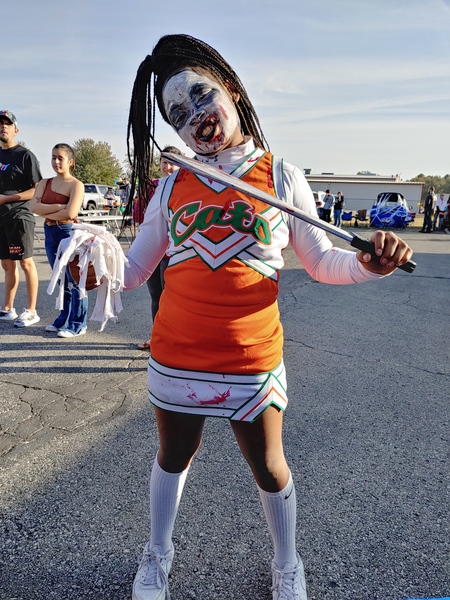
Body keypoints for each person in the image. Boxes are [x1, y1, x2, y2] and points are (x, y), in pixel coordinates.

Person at [122, 34, 413, 600]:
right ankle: (158, 554)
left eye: (202, 96)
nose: (197, 118)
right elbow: (134, 272)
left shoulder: (280, 175)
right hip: (177, 356)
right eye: (178, 114)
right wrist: (93, 267)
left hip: (252, 357)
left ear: (230, 89)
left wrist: (369, 267)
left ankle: (286, 563)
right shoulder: (170, 185)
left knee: (269, 467)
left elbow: (325, 263)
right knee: (172, 457)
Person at [30, 144, 87, 337]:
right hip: (50, 232)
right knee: (60, 278)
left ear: (70, 162)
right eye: (53, 157)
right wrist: (58, 206)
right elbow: (33, 208)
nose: (55, 161)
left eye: (60, 158)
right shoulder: (44, 183)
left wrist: (45, 207)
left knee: (74, 279)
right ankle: (64, 317)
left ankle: (78, 323)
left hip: (67, 232)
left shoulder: (76, 185)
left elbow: (71, 213)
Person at [135, 147, 182, 350]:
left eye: (172, 162)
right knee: (156, 297)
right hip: (154, 252)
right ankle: (157, 338)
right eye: (164, 161)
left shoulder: (184, 187)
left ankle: (175, 341)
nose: (168, 166)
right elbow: (139, 215)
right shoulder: (151, 187)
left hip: (174, 253)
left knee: (173, 300)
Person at [0, 110, 42, 327]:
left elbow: (36, 190)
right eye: (0, 123)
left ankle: (32, 311)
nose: (3, 127)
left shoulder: (25, 156)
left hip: (20, 216)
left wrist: (6, 198)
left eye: (8, 123)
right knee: (7, 264)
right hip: (1, 218)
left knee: (25, 262)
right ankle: (7, 309)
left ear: (16, 129)